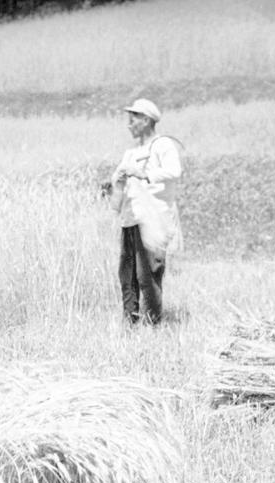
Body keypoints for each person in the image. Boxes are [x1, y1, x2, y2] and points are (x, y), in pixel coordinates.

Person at [111, 98, 183, 325]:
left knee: (148, 275)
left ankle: (154, 325)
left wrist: (144, 175)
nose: (129, 124)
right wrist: (118, 181)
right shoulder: (130, 153)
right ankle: (130, 325)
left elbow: (174, 171)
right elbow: (117, 185)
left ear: (146, 120)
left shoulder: (163, 145)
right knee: (127, 276)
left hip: (154, 222)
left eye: (133, 119)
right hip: (130, 221)